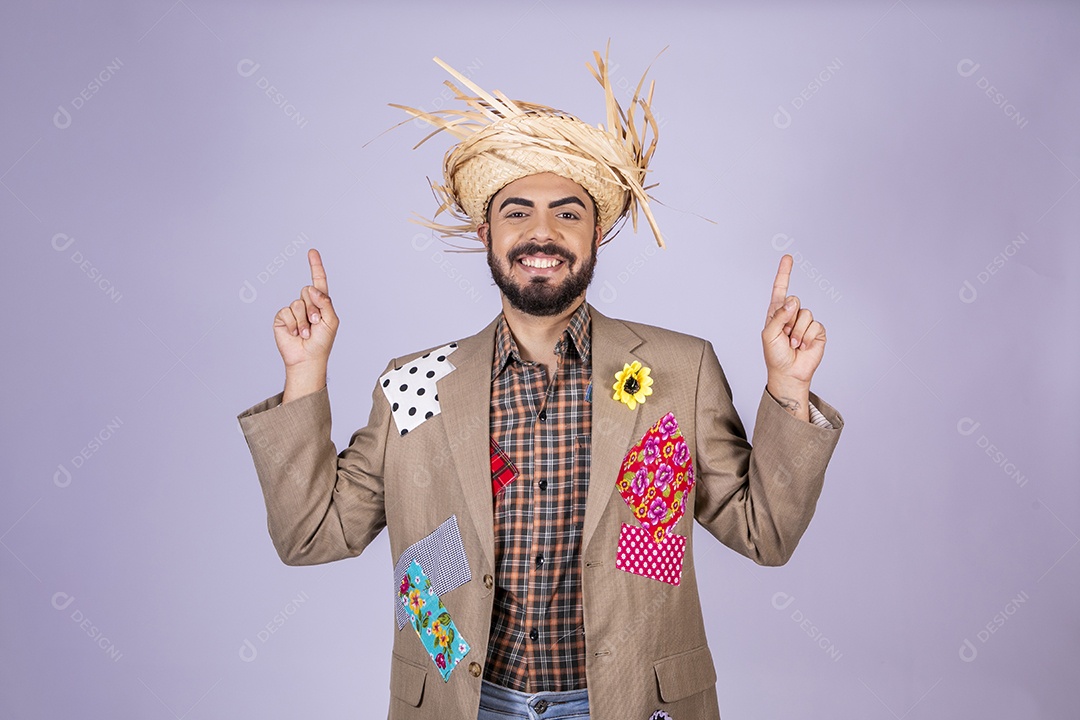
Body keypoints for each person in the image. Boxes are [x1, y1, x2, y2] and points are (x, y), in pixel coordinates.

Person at [238, 49, 843, 720]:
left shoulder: (680, 370)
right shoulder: (414, 385)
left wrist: (789, 389)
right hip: (462, 703)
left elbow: (765, 534)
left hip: (629, 703)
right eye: (518, 211)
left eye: (568, 213)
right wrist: (304, 374)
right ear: (485, 232)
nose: (542, 233)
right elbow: (312, 536)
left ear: (598, 235)